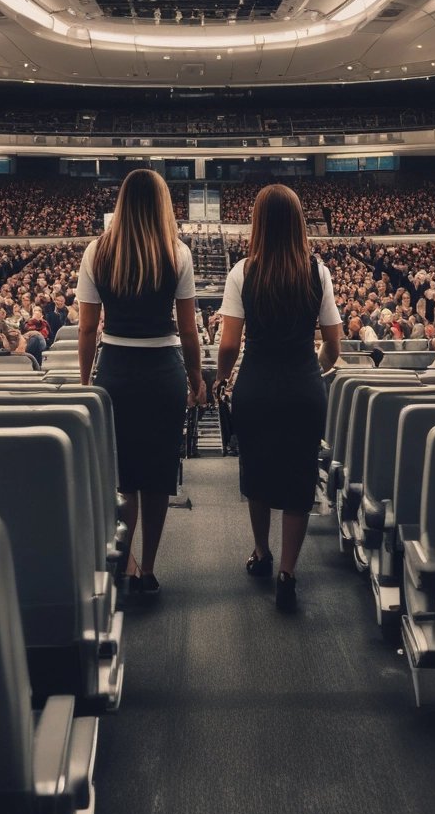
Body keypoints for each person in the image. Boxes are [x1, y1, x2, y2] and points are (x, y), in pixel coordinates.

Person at [214, 185, 342, 613]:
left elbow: (229, 344)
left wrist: (224, 378)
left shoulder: (242, 272)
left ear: (258, 223)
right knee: (299, 478)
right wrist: (314, 370)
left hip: (257, 385)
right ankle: (288, 572)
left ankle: (261, 553)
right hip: (303, 386)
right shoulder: (316, 271)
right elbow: (334, 346)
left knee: (258, 472)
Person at [77, 169, 204, 595]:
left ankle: (124, 563)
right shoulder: (178, 253)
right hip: (163, 372)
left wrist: (85, 380)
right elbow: (188, 331)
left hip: (116, 369)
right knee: (157, 477)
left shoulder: (97, 250)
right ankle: (147, 569)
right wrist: (194, 378)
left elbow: (87, 329)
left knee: (125, 477)